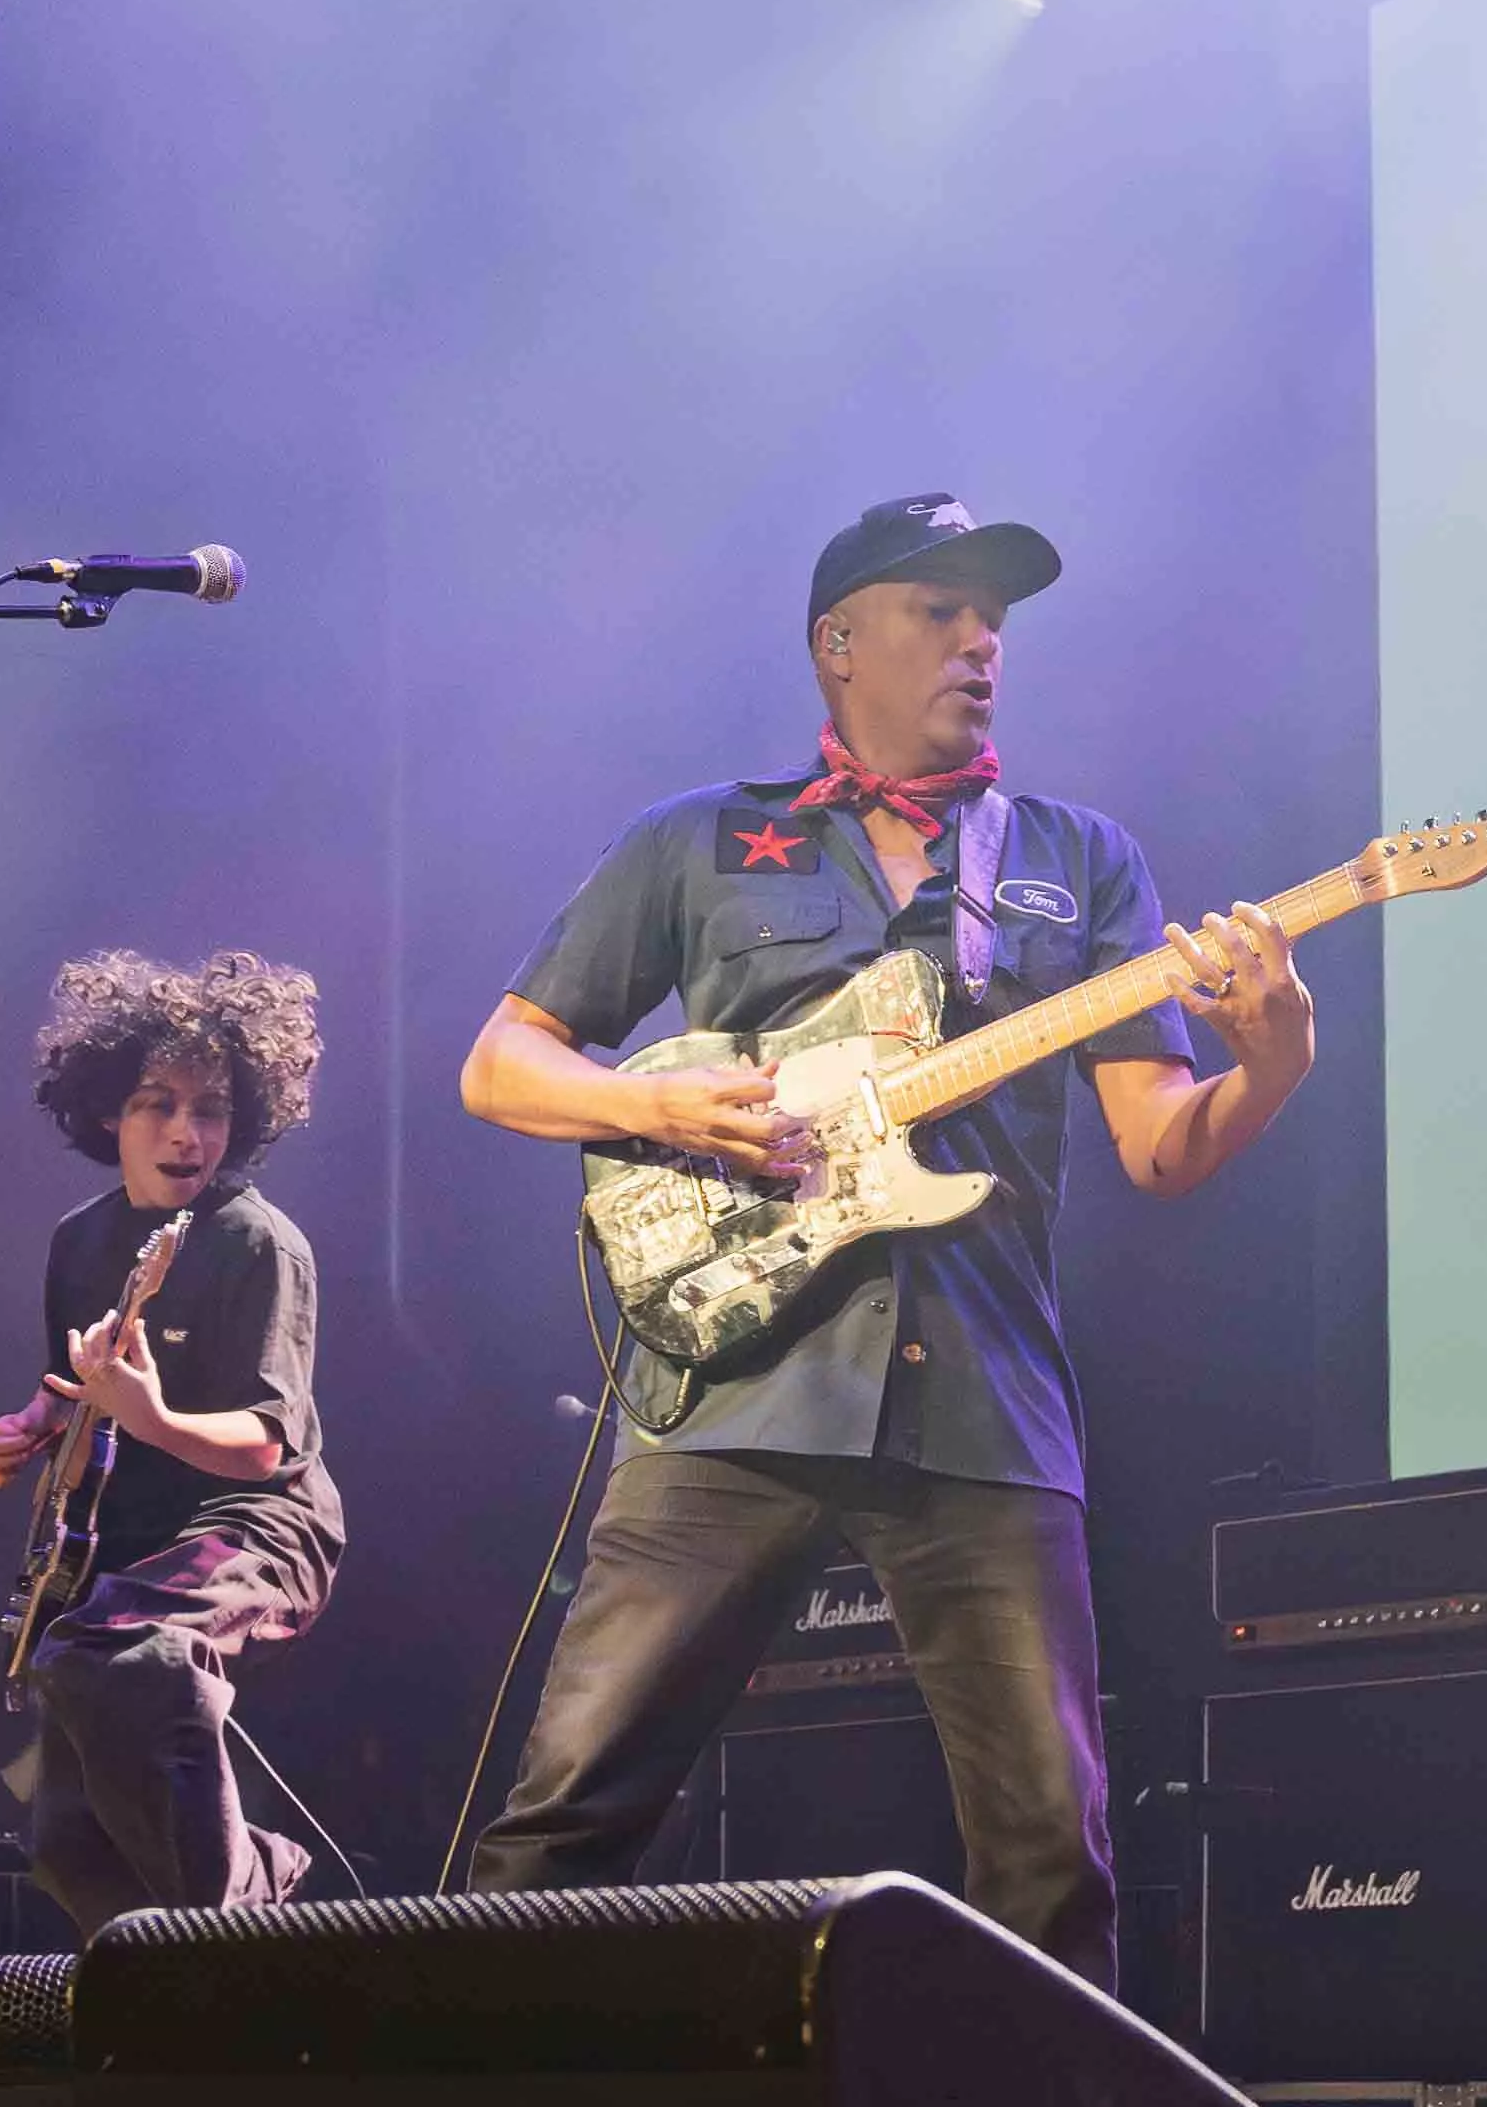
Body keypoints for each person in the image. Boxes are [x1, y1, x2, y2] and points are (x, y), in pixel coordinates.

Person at [457, 493, 1313, 1987]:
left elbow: (1158, 1145)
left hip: (983, 1398)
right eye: (941, 607)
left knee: (1052, 1850)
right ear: (835, 642)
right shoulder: (701, 839)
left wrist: (1275, 1059)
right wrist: (669, 1116)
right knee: (565, 1820)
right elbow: (500, 1065)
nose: (981, 639)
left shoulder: (1077, 857)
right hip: (734, 1386)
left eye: (996, 616)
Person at [0, 949, 344, 1926]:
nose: (186, 1134)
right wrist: (36, 1420)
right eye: (157, 1103)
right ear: (108, 1111)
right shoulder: (80, 1242)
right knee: (64, 1838)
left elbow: (267, 1444)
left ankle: (245, 1903)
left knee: (140, 1658)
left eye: (212, 1110)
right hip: (133, 1548)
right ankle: (155, 1993)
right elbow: (80, 1388)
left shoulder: (256, 1244)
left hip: (258, 1530)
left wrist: (156, 1419)